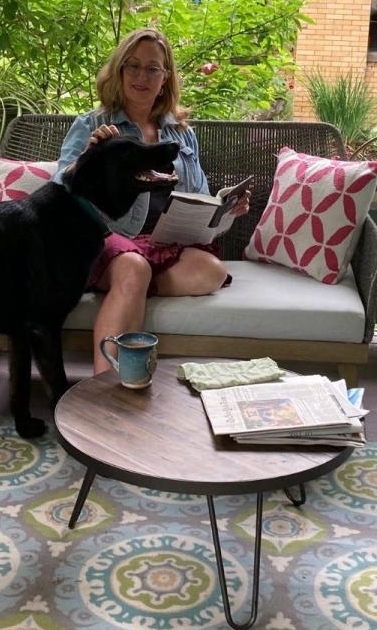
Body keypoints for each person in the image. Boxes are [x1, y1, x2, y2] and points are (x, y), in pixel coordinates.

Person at [55, 28, 249, 374]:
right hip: (106, 237)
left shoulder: (181, 133)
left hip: (161, 242)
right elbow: (60, 190)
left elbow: (199, 198)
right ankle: (105, 390)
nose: (142, 76)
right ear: (119, 70)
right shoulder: (94, 124)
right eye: (133, 66)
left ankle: (131, 287)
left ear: (165, 77)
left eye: (152, 68)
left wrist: (226, 209)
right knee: (134, 266)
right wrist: (88, 157)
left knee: (212, 271)